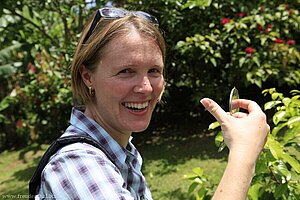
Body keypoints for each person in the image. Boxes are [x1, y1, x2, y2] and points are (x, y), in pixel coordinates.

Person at [35, 7, 270, 200]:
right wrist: (244, 153)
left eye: (154, 71)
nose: (146, 88)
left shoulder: (120, 154)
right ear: (88, 77)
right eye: (126, 71)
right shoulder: (78, 164)